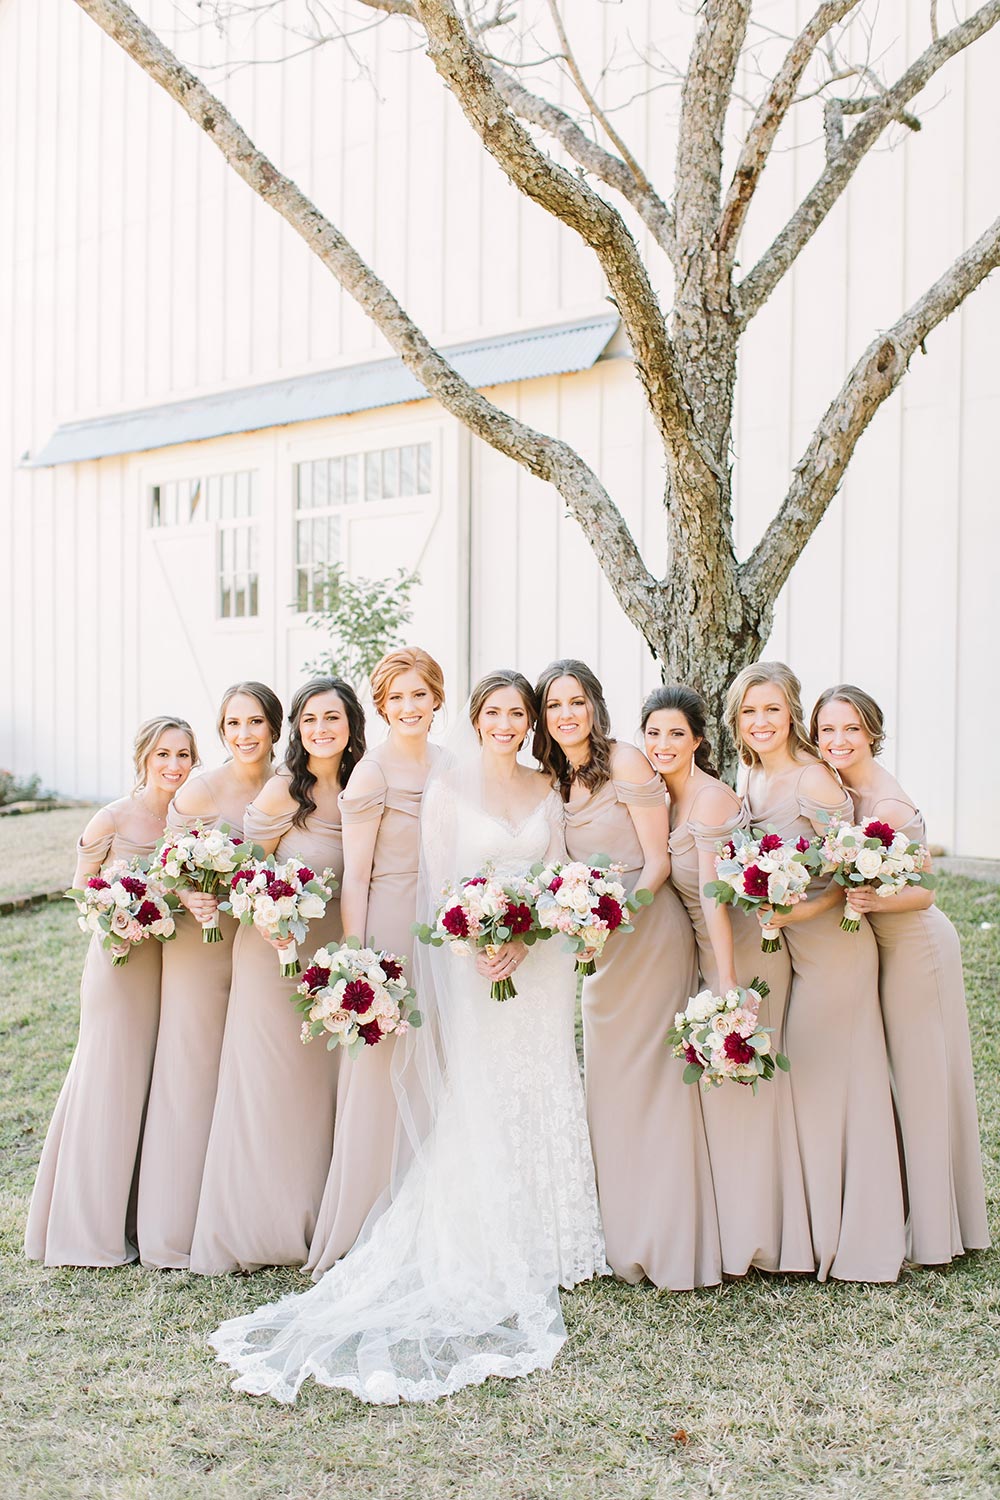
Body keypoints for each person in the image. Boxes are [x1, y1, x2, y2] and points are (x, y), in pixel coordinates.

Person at [209, 671, 605, 1404]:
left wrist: (529, 933)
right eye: (496, 712)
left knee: (546, 1073)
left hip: (537, 962)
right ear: (477, 718)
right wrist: (475, 939)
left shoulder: (548, 787)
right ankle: (484, 1227)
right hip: (468, 956)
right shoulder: (447, 789)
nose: (508, 723)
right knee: (479, 1083)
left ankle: (557, 1234)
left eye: (519, 713)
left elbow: (557, 874)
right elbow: (437, 882)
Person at [534, 660, 719, 1291]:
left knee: (657, 1084)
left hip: (649, 932)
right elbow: (559, 869)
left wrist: (617, 917)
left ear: (595, 707)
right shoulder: (550, 780)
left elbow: (659, 863)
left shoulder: (628, 762)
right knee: (610, 1086)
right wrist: (578, 924)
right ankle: (618, 1233)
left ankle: (668, 1236)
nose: (567, 714)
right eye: (555, 704)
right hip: (600, 949)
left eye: (577, 701)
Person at [726, 662, 904, 1283]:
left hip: (834, 951)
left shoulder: (816, 782)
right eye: (750, 711)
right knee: (816, 1092)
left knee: (836, 1088)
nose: (761, 722)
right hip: (795, 955)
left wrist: (795, 907)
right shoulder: (753, 779)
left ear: (792, 712)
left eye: (772, 709)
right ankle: (819, 1232)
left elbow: (849, 874)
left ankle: (857, 1241)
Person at [189, 678, 364, 1274]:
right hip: (273, 956)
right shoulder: (283, 790)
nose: (321, 729)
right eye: (309, 719)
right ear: (296, 727)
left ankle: (318, 1217)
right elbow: (247, 873)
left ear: (351, 724)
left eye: (332, 718)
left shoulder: (364, 785)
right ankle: (257, 1228)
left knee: (322, 1088)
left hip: (335, 961)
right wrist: (269, 921)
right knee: (269, 1088)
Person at [811, 684, 989, 1265]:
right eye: (828, 729)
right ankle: (914, 1208)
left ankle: (937, 1234)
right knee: (899, 1080)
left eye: (851, 729)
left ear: (871, 733)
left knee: (924, 1083)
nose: (838, 740)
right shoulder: (839, 789)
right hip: (883, 952)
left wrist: (871, 902)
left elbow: (927, 888)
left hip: (917, 949)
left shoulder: (886, 804)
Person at [644, 684, 812, 1277]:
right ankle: (735, 1226)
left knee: (750, 1096)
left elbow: (716, 898)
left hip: (740, 953)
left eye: (676, 735)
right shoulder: (665, 796)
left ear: (698, 741)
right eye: (654, 733)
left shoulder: (710, 800)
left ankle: (763, 1238)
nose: (663, 745)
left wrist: (730, 985)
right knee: (727, 1098)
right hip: (710, 954)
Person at [25, 716, 198, 1266]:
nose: (173, 766)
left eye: (184, 755)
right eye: (163, 755)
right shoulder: (112, 817)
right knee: (107, 1081)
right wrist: (116, 914)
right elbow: (81, 891)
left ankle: (134, 1215)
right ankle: (85, 1229)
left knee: (147, 1087)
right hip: (119, 964)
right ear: (143, 758)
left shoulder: (187, 817)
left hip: (167, 964)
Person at [306, 648, 444, 1276]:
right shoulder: (372, 775)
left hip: (445, 930)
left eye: (420, 694)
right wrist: (360, 963)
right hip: (388, 927)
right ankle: (365, 1217)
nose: (409, 707)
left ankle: (431, 1208)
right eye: (397, 698)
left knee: (438, 1066)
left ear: (436, 699)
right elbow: (354, 877)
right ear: (382, 707)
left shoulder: (452, 767)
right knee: (383, 1071)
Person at [137, 682, 283, 1269]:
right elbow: (166, 866)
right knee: (192, 1073)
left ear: (274, 727)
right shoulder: (199, 791)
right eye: (232, 724)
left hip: (260, 946)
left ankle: (239, 1209)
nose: (244, 735)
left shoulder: (285, 786)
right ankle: (175, 1224)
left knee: (248, 1078)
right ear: (221, 732)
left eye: (255, 722)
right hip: (202, 944)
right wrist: (191, 895)